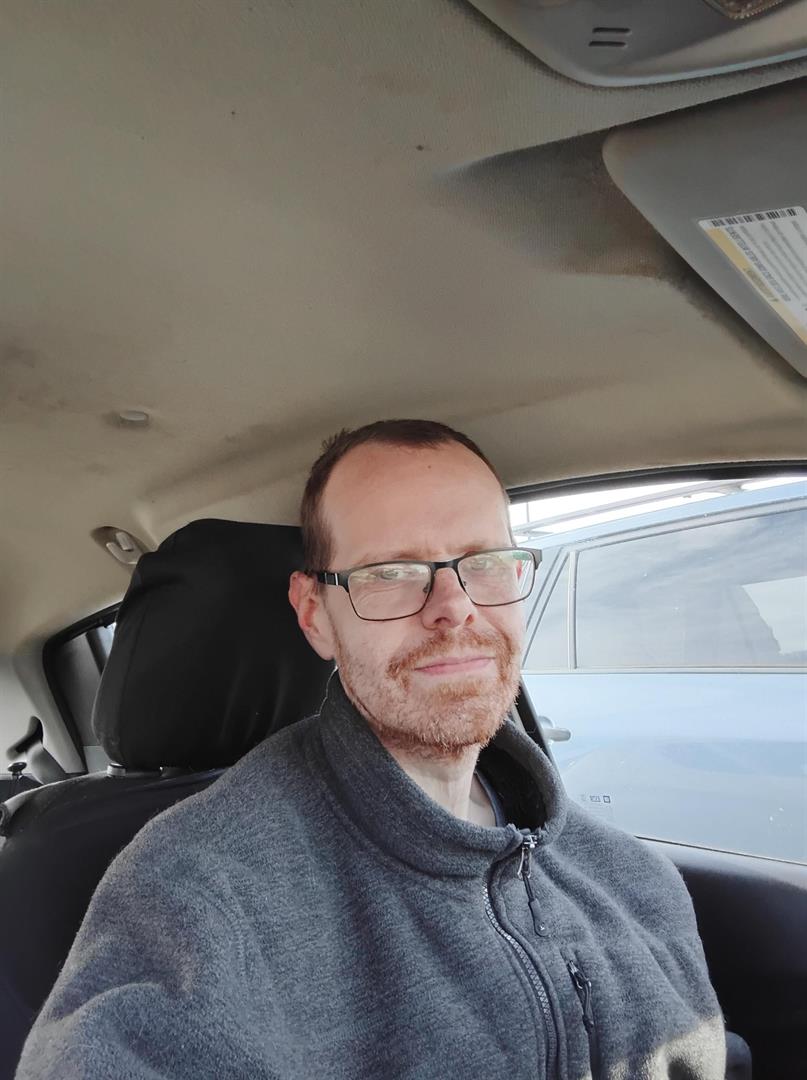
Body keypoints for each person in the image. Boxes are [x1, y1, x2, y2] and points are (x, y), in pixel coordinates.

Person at [17, 419, 728, 1079]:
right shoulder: (197, 891)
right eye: (390, 572)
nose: (454, 607)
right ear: (315, 616)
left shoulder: (633, 879)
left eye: (485, 561)